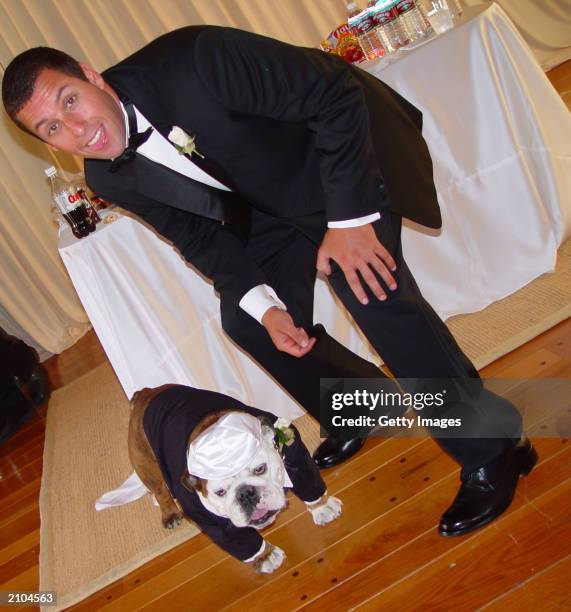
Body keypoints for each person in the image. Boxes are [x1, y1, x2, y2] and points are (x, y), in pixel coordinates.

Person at [2, 25, 537, 537]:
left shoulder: (196, 61)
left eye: (69, 100)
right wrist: (266, 306)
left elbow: (335, 93)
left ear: (92, 76)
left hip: (340, 158)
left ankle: (492, 449)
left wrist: (349, 222)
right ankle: (363, 404)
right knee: (249, 322)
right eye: (51, 128)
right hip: (266, 207)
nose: (75, 130)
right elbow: (199, 237)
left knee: (371, 289)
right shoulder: (104, 173)